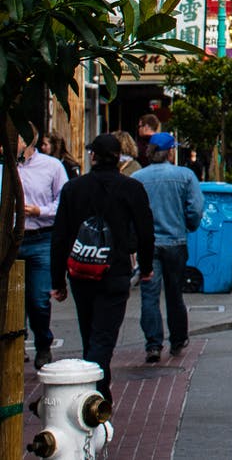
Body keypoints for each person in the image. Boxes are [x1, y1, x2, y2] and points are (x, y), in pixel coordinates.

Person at [50, 134, 154, 401]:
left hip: (82, 271)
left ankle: (97, 392)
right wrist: (146, 267)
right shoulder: (131, 188)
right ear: (119, 158)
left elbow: (60, 236)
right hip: (115, 270)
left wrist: (57, 280)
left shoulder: (74, 189)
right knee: (103, 336)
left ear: (92, 156)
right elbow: (145, 232)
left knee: (91, 333)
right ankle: (93, 394)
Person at [132, 133, 205, 363]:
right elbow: (196, 209)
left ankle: (153, 344)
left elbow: (131, 212)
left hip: (149, 244)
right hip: (175, 242)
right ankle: (177, 338)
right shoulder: (184, 176)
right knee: (174, 293)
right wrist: (188, 224)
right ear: (170, 152)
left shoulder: (137, 178)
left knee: (149, 295)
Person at [17, 127, 69, 369]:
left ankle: (43, 345)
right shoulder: (4, 166)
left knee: (38, 299)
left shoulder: (52, 167)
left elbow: (63, 202)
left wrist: (40, 211)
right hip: (10, 239)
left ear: (28, 141)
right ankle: (15, 344)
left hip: (40, 238)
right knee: (11, 298)